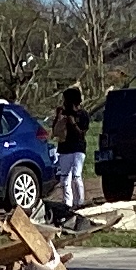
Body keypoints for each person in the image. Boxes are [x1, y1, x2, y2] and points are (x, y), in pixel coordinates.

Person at [50, 84, 89, 215]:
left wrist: (72, 122)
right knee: (64, 177)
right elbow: (55, 131)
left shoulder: (82, 114)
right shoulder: (62, 113)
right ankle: (67, 202)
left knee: (76, 175)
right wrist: (58, 117)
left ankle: (80, 202)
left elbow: (82, 133)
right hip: (64, 148)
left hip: (78, 148)